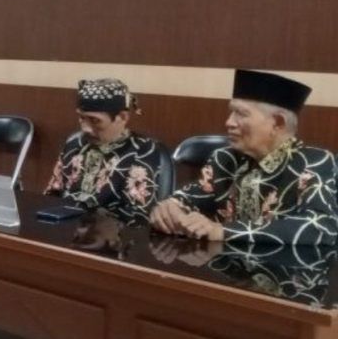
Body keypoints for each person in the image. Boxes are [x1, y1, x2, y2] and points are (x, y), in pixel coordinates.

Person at [150, 69, 338, 244]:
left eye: (241, 114)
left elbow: (322, 227)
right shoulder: (225, 159)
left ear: (278, 123)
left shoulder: (314, 162)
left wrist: (222, 231)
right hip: (223, 266)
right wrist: (169, 210)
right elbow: (186, 200)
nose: (229, 122)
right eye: (231, 112)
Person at [44, 78, 163, 225]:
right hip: (65, 228)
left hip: (112, 233)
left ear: (122, 117)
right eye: (82, 118)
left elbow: (137, 214)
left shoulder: (142, 149)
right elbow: (51, 196)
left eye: (95, 120)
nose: (85, 128)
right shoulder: (74, 144)